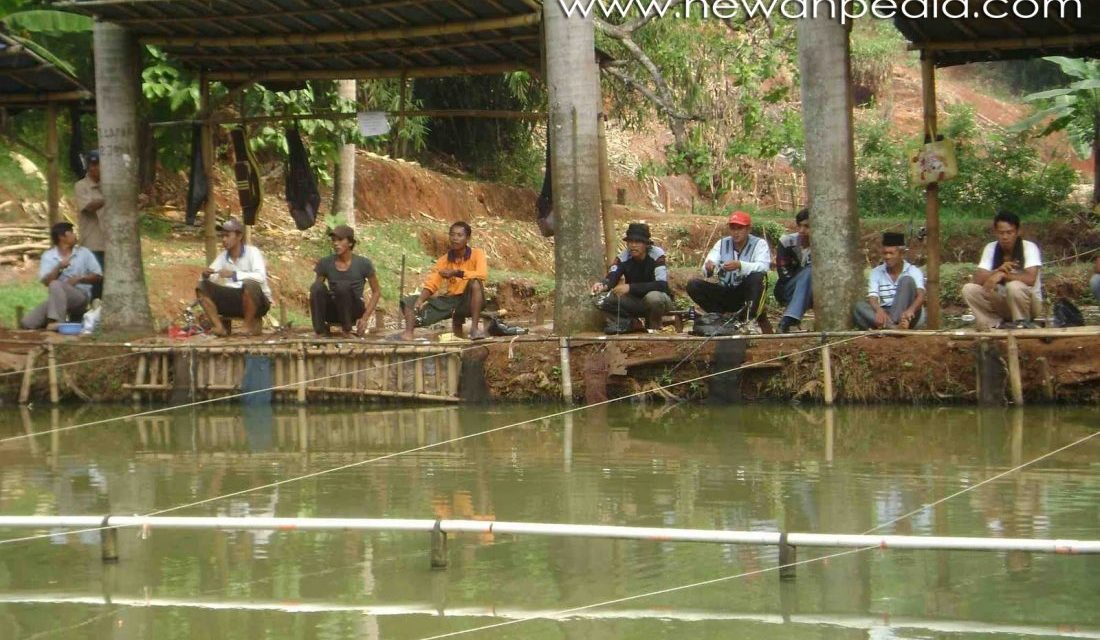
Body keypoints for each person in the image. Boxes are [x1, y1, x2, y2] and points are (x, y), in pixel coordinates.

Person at [402, 221, 487, 340]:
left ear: (467, 238)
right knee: (408, 301)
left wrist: (456, 272)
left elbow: (482, 274)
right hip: (451, 301)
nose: (455, 238)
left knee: (476, 282)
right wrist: (420, 300)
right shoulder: (443, 260)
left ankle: (474, 329)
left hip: (470, 299)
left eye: (459, 235)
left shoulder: (477, 254)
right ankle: (408, 334)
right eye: (452, 235)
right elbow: (432, 283)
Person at [686, 210, 770, 326]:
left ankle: (749, 320)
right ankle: (720, 317)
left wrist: (740, 265)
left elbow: (763, 267)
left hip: (745, 293)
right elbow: (709, 263)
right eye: (733, 228)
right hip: (725, 291)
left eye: (740, 228)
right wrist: (709, 268)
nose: (736, 232)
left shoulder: (759, 244)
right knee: (693, 285)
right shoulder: (722, 244)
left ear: (748, 229)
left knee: (758, 277)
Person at [961, 211, 1042, 330]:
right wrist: (997, 272)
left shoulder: (1029, 247)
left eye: (1009, 232)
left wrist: (1003, 276)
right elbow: (977, 279)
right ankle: (995, 324)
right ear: (995, 232)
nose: (1005, 237)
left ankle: (1022, 323)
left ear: (1018, 232)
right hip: (1003, 303)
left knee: (1014, 286)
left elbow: (1030, 279)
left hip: (1029, 305)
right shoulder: (990, 248)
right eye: (1001, 233)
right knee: (969, 289)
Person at [590, 222, 672, 332]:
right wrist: (602, 285)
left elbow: (662, 285)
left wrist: (630, 287)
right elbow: (612, 278)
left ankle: (654, 327)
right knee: (599, 299)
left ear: (646, 244)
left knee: (653, 298)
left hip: (659, 301)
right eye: (630, 241)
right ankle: (630, 323)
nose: (633, 245)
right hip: (635, 302)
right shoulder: (623, 257)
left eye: (637, 242)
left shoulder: (657, 255)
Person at [196, 218, 271, 336]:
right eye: (222, 236)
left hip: (258, 303)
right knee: (202, 287)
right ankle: (219, 327)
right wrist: (206, 275)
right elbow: (211, 278)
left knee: (249, 284)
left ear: (239, 236)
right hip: (234, 301)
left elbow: (260, 277)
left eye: (227, 236)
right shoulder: (222, 257)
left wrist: (235, 274)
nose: (224, 240)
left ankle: (247, 326)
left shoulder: (253, 253)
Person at [21, 222, 102, 330]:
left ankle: (58, 322)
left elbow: (99, 276)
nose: (75, 235)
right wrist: (58, 267)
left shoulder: (84, 253)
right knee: (27, 323)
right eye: (71, 233)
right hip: (57, 299)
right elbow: (47, 282)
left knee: (55, 284)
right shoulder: (48, 256)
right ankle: (54, 321)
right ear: (62, 237)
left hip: (80, 297)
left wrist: (80, 278)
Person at [310, 225, 381, 337]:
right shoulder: (325, 263)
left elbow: (376, 291)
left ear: (350, 243)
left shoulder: (363, 263)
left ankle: (346, 329)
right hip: (334, 309)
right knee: (316, 286)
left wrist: (365, 318)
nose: (336, 243)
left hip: (353, 310)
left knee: (342, 286)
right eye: (333, 240)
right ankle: (320, 330)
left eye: (340, 240)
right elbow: (317, 291)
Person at [853, 232, 926, 330]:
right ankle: (894, 328)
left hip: (907, 316)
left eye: (891, 253)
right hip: (886, 313)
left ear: (901, 254)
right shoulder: (876, 272)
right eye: (885, 253)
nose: (887, 257)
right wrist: (879, 310)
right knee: (859, 307)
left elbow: (921, 296)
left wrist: (911, 310)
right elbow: (873, 298)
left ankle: (889, 327)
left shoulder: (913, 271)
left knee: (906, 280)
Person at [74, 149, 105, 300]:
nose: (95, 168)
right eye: (92, 165)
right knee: (95, 284)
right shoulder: (81, 186)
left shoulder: (109, 186)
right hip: (92, 244)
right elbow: (89, 207)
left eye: (98, 164)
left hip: (111, 245)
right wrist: (111, 196)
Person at [775, 208, 812, 333]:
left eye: (807, 226)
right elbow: (783, 273)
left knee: (811, 272)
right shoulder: (786, 242)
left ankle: (789, 318)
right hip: (787, 288)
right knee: (809, 272)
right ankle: (790, 318)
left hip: (815, 291)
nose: (802, 230)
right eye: (800, 225)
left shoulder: (823, 247)